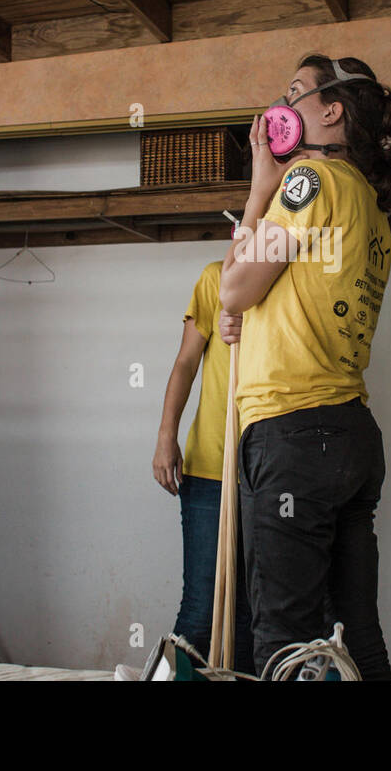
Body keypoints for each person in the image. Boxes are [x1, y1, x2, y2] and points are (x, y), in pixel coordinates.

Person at [217, 53, 391, 680]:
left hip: (295, 431)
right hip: (349, 433)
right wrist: (249, 312)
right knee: (358, 635)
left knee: (283, 637)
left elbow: (235, 287)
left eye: (296, 91)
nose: (282, 103)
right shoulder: (369, 206)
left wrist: (258, 188)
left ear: (332, 110)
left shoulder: (311, 181)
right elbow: (289, 297)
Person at [152, 260, 254, 674]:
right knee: (201, 609)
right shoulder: (219, 277)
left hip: (269, 475)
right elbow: (186, 362)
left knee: (249, 615)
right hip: (210, 470)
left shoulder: (292, 285)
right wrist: (165, 437)